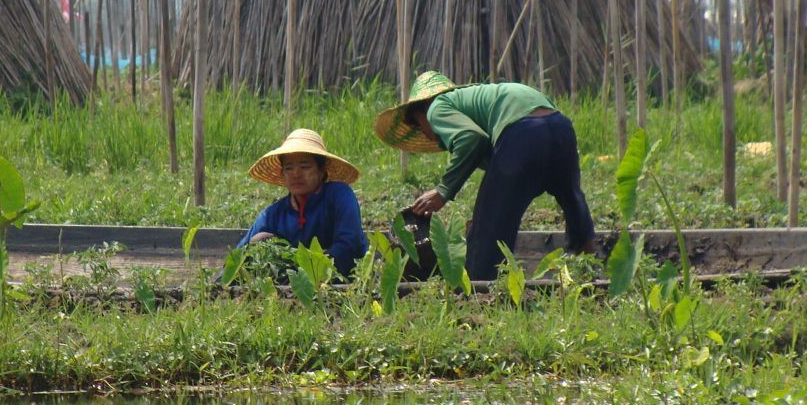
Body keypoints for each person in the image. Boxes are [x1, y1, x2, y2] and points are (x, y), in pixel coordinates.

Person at [373, 71, 595, 281]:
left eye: (421, 128)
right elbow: (499, 163)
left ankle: (480, 296)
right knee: (572, 199)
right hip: (560, 127)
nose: (428, 135)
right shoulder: (475, 101)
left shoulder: (436, 107)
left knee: (489, 231)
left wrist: (443, 192)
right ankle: (589, 269)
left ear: (421, 116)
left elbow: (471, 139)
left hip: (522, 133)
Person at [237, 128, 368, 276]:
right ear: (283, 174)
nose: (296, 174)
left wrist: (303, 269)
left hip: (339, 281)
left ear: (321, 171)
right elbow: (239, 256)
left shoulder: (339, 196)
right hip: (286, 287)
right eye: (289, 168)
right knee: (260, 239)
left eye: (305, 167)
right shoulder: (273, 215)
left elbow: (349, 245)